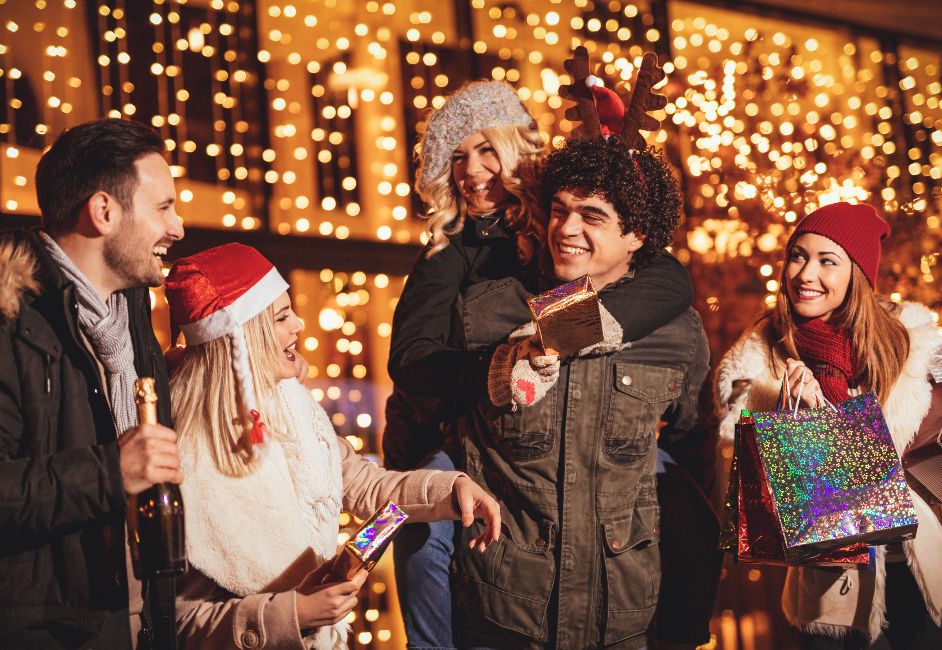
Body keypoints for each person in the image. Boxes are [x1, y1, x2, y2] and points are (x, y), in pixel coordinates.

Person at [386, 79, 695, 650]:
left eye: (485, 150)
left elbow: (667, 278)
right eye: (455, 157)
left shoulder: (551, 234)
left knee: (664, 484)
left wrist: (557, 330)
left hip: (549, 420)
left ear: (518, 154)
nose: (471, 170)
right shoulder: (450, 252)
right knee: (423, 527)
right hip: (444, 425)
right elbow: (411, 365)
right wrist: (499, 368)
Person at [0, 118, 185, 648]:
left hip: (134, 627)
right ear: (103, 211)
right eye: (163, 208)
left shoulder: (131, 317)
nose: (178, 227)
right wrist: (108, 471)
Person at [711, 201, 942, 648]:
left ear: (858, 274)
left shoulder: (908, 342)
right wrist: (796, 412)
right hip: (831, 590)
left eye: (827, 261)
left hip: (921, 570)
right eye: (798, 255)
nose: (806, 274)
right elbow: (742, 449)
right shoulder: (762, 356)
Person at [162, 243, 503, 649]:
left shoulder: (293, 407)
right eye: (281, 317)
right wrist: (292, 614)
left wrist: (451, 489)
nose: (299, 327)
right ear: (239, 337)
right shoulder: (184, 460)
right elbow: (177, 624)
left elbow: (365, 485)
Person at [451, 136, 712, 649]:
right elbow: (430, 428)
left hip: (624, 615)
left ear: (636, 234)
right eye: (559, 211)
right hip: (504, 613)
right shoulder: (490, 312)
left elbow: (695, 458)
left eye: (591, 216)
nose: (566, 229)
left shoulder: (675, 334)